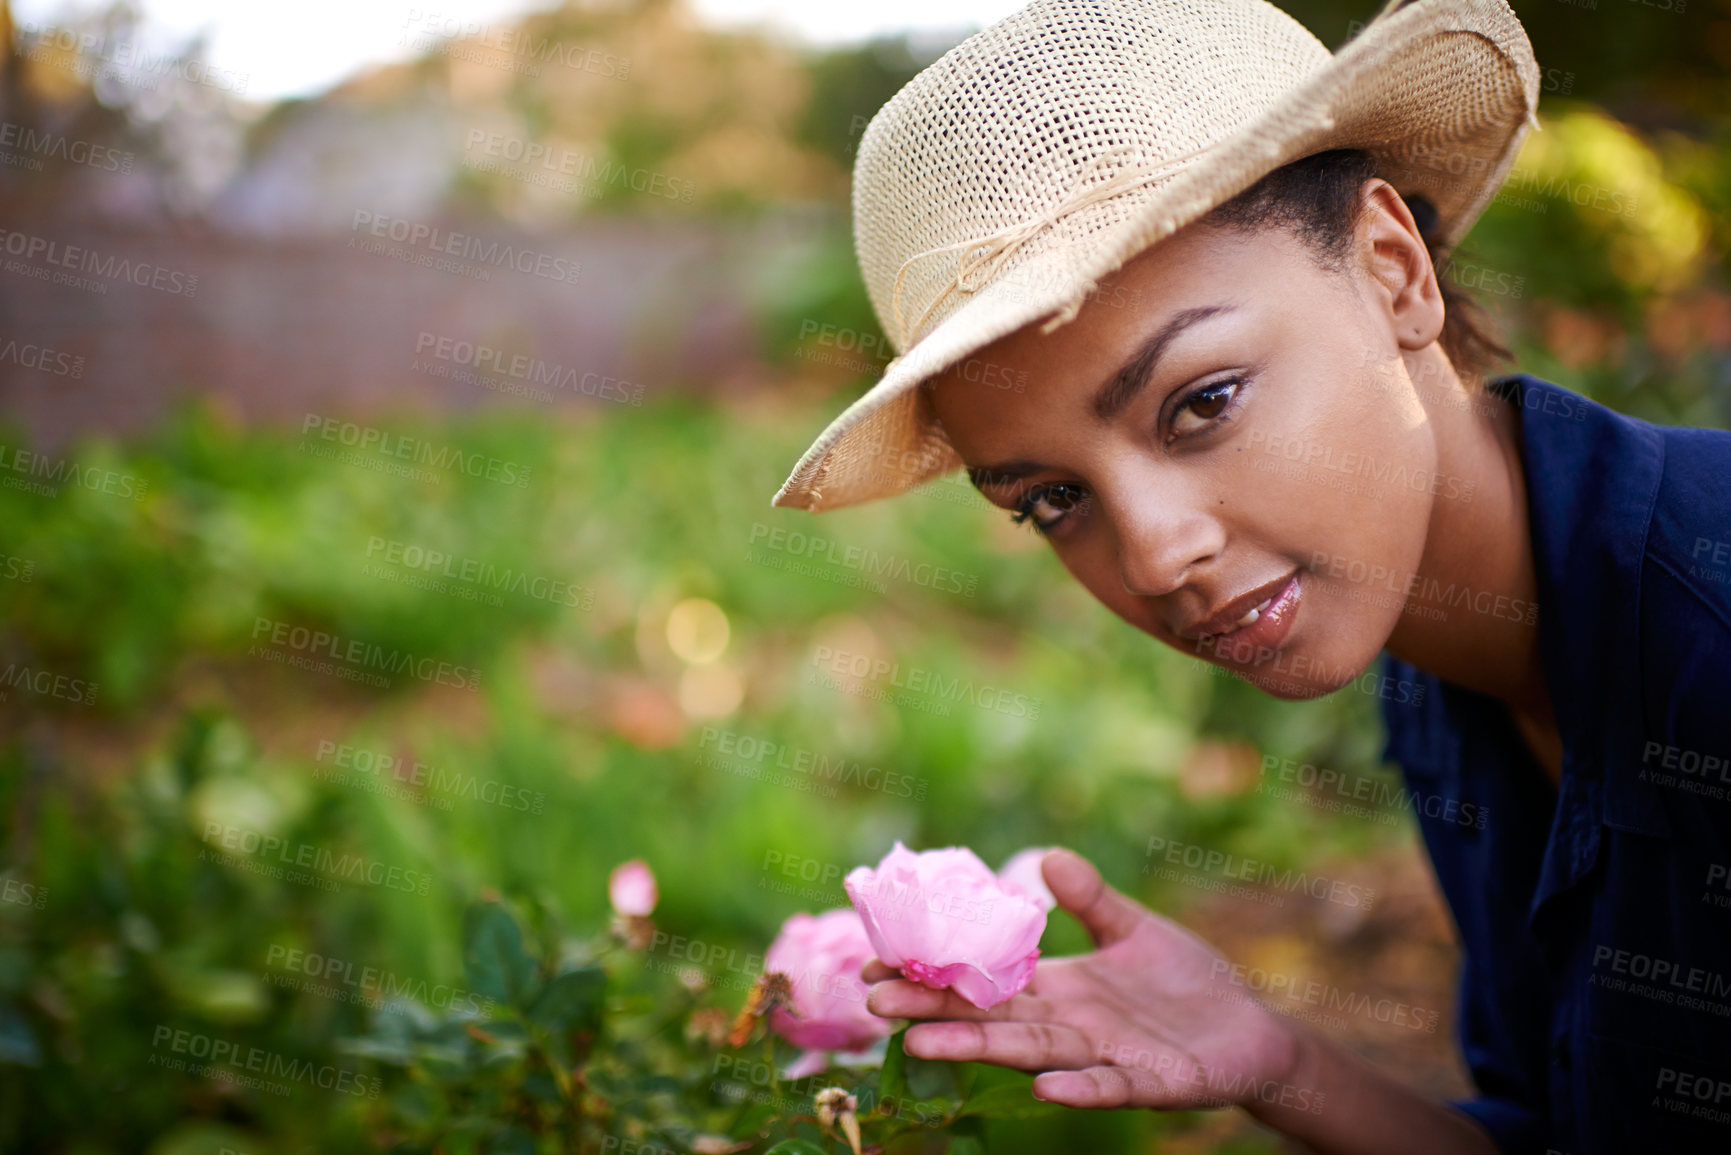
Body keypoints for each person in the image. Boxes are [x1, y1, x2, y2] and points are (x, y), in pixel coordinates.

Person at [768, 1, 1731, 1152]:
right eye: (1052, 501)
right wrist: (1276, 1062)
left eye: (1203, 403)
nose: (1156, 555)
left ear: (1392, 270)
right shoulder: (1435, 681)